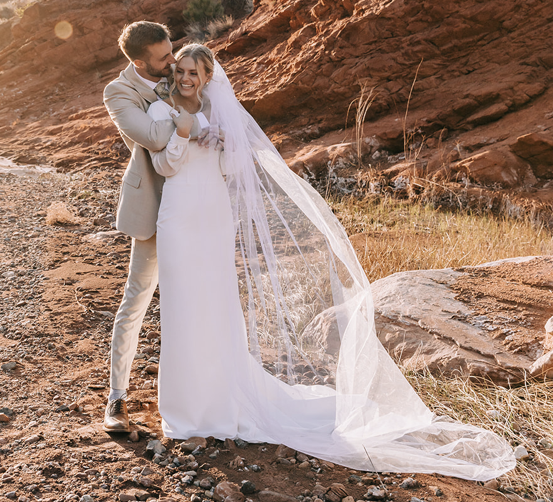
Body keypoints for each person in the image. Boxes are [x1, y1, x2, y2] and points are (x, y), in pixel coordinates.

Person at [145, 42, 515, 481]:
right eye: (181, 71)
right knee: (182, 307)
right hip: (179, 216)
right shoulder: (161, 112)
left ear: (208, 78)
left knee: (217, 306)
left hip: (214, 216)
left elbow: (231, 169)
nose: (186, 79)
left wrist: (225, 143)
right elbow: (165, 166)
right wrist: (182, 133)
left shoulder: (215, 115)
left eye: (195, 73)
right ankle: (187, 408)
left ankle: (221, 400)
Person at [102, 21, 213, 433]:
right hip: (155, 206)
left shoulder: (180, 74)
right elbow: (151, 136)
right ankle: (116, 398)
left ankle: (204, 392)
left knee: (201, 299)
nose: (172, 62)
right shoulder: (119, 92)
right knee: (136, 301)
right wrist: (194, 120)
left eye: (172, 51)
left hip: (197, 204)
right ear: (139, 61)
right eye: (164, 58)